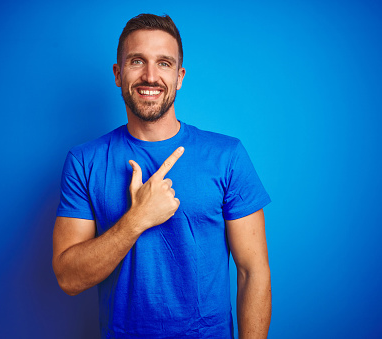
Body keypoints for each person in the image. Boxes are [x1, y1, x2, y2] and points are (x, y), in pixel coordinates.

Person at [52, 13, 271, 339]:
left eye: (164, 63)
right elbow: (69, 278)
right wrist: (136, 218)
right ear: (118, 73)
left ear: (180, 76)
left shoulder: (227, 156)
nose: (150, 76)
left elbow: (252, 272)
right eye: (137, 61)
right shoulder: (84, 161)